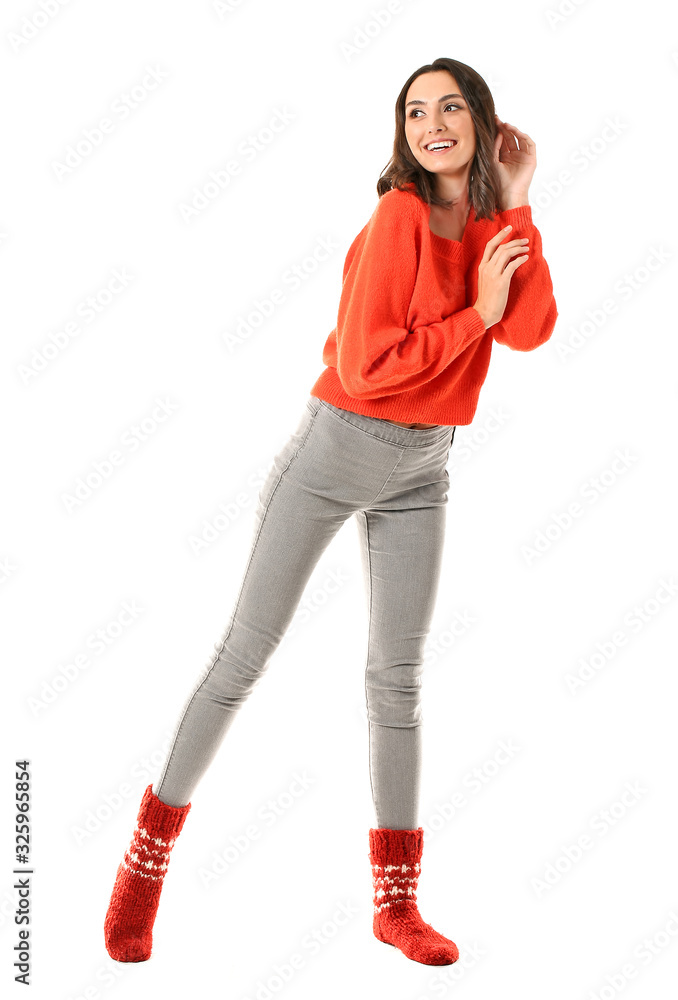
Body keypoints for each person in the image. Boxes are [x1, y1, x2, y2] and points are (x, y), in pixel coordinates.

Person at [103, 56, 557, 968]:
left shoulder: (486, 221)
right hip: (333, 454)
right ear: (403, 131)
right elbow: (365, 366)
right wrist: (475, 315)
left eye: (451, 108)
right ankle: (143, 866)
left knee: (398, 681)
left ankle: (397, 906)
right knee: (244, 655)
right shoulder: (398, 218)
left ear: (482, 121)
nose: (433, 124)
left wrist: (516, 204)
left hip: (423, 467)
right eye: (416, 111)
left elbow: (530, 328)